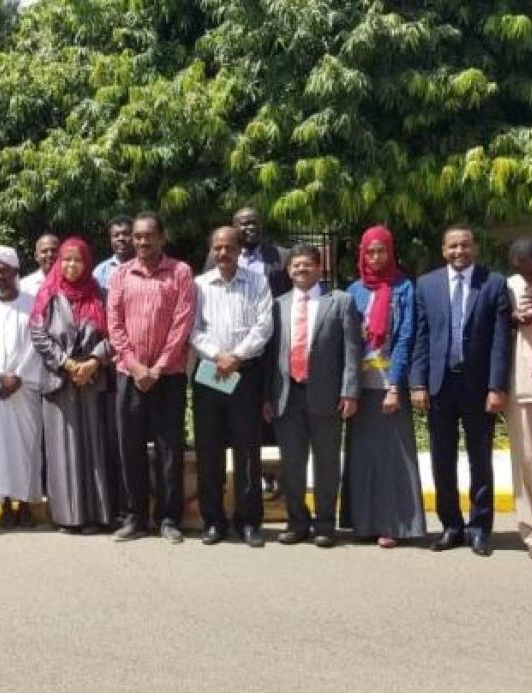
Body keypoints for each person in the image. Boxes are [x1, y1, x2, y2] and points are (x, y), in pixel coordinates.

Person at [411, 225, 511, 556]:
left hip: (479, 387)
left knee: (480, 460)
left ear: (475, 248)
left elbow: (499, 341)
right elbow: (422, 338)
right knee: (442, 459)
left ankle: (480, 528)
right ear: (443, 250)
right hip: (440, 385)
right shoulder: (426, 285)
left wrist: (497, 387)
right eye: (453, 246)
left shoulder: (493, 283)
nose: (459, 252)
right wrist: (418, 382)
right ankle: (451, 526)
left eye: (465, 246)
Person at [263, 244, 361, 547]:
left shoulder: (341, 302)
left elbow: (352, 351)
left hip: (327, 395)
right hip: (287, 395)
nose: (301, 270)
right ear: (288, 271)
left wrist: (350, 391)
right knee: (292, 463)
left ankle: (324, 524)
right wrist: (267, 396)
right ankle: (297, 522)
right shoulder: (277, 305)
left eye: (307, 265)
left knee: (327, 464)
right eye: (295, 266)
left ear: (320, 269)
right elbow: (269, 356)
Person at [107, 212, 195, 543]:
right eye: (137, 237)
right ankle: (135, 517)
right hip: (129, 375)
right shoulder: (120, 275)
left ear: (162, 238)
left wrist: (157, 368)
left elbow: (182, 323)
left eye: (149, 236)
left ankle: (169, 518)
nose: (142, 242)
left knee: (168, 448)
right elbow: (114, 323)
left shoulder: (180, 272)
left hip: (167, 376)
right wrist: (134, 365)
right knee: (129, 446)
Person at [340, 226, 426, 547]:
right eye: (370, 252)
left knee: (394, 456)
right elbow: (348, 341)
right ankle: (363, 523)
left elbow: (406, 337)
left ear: (391, 252)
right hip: (360, 385)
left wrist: (394, 386)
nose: (376, 257)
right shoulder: (354, 290)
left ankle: (394, 524)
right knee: (363, 456)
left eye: (382, 251)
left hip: (390, 384)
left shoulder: (404, 288)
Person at [189, 226, 272, 547]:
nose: (223, 253)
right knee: (209, 449)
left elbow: (264, 326)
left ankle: (249, 521)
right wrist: (217, 355)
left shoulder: (258, 282)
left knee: (246, 449)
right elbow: (192, 329)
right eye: (218, 248)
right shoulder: (198, 286)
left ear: (239, 250)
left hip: (245, 373)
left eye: (229, 247)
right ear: (212, 250)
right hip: (210, 374)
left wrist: (236, 356)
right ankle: (214, 520)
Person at [30, 236, 115, 534]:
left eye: (77, 259)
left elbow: (115, 333)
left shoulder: (101, 294)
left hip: (92, 379)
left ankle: (95, 515)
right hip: (59, 382)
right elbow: (39, 335)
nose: (70, 265)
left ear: (87, 262)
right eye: (65, 259)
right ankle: (68, 517)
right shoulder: (48, 295)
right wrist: (68, 364)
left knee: (94, 448)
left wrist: (93, 361)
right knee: (62, 450)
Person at [0, 246, 45, 526]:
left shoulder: (33, 303)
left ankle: (26, 503)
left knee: (27, 448)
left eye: (4, 270)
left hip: (25, 389)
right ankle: (4, 504)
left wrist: (18, 376)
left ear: (16, 272)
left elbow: (38, 343)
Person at [505, 236, 532, 559]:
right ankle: (529, 531)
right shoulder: (508, 285)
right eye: (519, 269)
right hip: (520, 383)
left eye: (528, 269)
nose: (524, 276)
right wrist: (512, 320)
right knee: (525, 459)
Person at [206, 207, 291, 298]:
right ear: (235, 228)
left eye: (255, 223)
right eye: (245, 224)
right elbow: (208, 284)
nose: (251, 227)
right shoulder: (219, 256)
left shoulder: (282, 256)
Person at [92, 216, 134, 291]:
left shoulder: (146, 268)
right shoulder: (101, 271)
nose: (121, 238)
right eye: (116, 235)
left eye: (126, 234)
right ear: (110, 240)